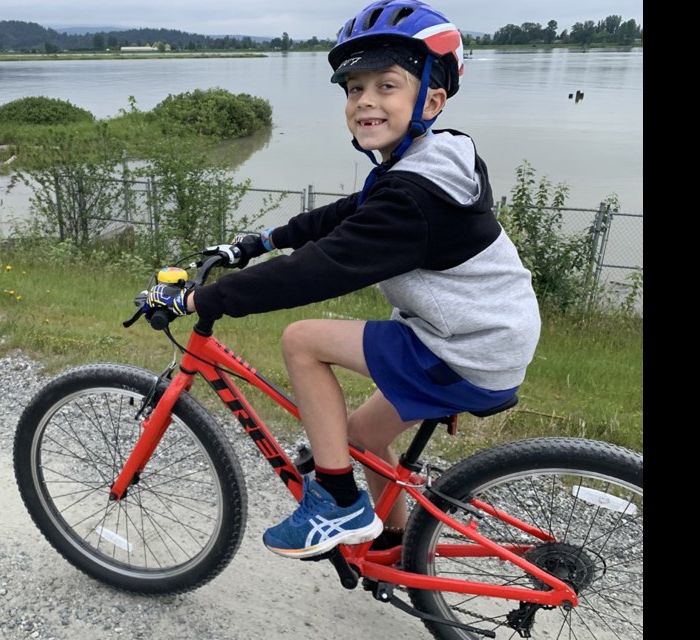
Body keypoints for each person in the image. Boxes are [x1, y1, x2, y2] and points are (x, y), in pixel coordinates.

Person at [145, 0, 541, 559]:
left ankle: (335, 502)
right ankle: (394, 548)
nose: (366, 101)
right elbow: (345, 214)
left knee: (302, 339)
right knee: (362, 435)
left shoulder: (412, 199)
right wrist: (258, 243)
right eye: (355, 89)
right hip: (483, 338)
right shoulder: (429, 162)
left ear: (430, 98)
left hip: (466, 349)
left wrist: (198, 298)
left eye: (387, 85)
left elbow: (319, 270)